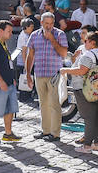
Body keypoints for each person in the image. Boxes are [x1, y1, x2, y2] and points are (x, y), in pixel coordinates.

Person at [24, 12, 69, 141]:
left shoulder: (60, 34)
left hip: (54, 74)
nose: (49, 26)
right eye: (46, 23)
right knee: (43, 104)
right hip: (39, 74)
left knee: (54, 104)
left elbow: (64, 53)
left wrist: (52, 39)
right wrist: (28, 74)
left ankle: (55, 134)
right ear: (41, 23)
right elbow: (30, 55)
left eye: (51, 23)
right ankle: (45, 131)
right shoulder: (34, 35)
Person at [64, 30, 98, 151]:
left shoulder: (88, 54)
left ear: (92, 42)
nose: (84, 43)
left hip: (85, 88)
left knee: (88, 117)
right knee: (97, 116)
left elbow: (81, 71)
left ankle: (87, 145)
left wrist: (65, 70)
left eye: (85, 41)